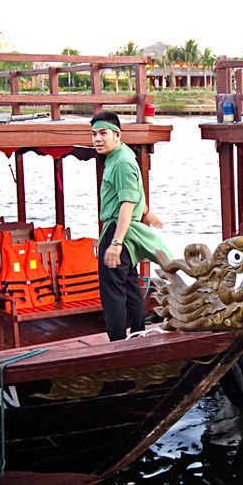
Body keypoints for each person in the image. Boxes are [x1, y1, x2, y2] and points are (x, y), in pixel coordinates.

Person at [91, 112, 172, 341]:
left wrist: (116, 243)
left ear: (117, 134)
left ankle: (117, 343)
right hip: (124, 230)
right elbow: (135, 192)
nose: (97, 139)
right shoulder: (125, 155)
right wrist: (146, 212)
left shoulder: (121, 161)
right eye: (94, 134)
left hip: (117, 230)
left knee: (113, 292)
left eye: (103, 133)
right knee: (129, 285)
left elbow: (127, 202)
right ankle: (137, 334)